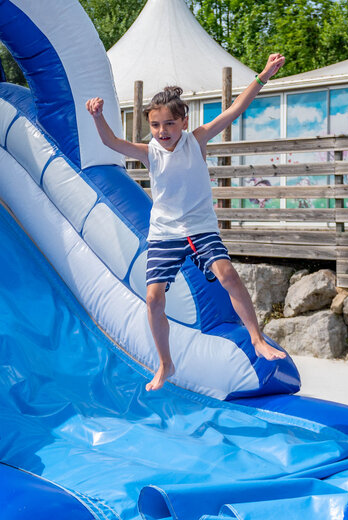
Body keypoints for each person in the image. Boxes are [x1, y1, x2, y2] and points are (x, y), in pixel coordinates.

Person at [85, 53, 288, 391]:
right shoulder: (149, 152)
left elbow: (235, 109)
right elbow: (111, 142)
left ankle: (256, 338)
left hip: (200, 228)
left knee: (228, 275)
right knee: (153, 299)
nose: (162, 131)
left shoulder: (197, 140)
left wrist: (264, 74)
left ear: (182, 121)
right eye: (155, 125)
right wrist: (98, 116)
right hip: (165, 233)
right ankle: (165, 364)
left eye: (168, 124)